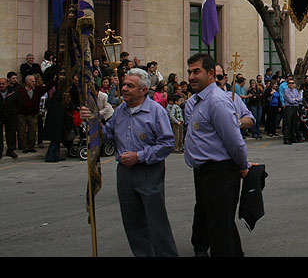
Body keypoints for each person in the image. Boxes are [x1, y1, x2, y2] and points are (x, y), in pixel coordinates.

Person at [79, 68, 178, 257]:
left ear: (143, 90)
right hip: (125, 174)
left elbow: (167, 144)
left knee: (156, 222)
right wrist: (91, 121)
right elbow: (106, 136)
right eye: (124, 84)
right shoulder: (120, 112)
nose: (124, 88)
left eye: (130, 86)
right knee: (132, 222)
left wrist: (139, 156)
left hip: (149, 171)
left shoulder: (156, 111)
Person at [184, 53, 251, 257]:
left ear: (211, 74)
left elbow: (234, 141)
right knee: (217, 223)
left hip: (220, 172)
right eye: (189, 72)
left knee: (220, 227)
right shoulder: (197, 101)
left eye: (197, 71)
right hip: (203, 171)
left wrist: (242, 164)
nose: (192, 77)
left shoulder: (217, 101)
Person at [0, 77, 20, 158]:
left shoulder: (13, 92)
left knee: (11, 133)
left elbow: (18, 104)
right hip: (0, 116)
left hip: (11, 116)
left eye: (3, 84)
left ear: (7, 84)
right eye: (0, 84)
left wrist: (14, 113)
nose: (1, 85)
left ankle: (10, 150)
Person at [282, 77, 303, 144]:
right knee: (288, 124)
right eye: (289, 83)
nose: (291, 84)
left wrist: (295, 99)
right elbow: (290, 100)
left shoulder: (295, 90)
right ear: (287, 84)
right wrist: (295, 99)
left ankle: (292, 138)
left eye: (292, 83)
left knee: (294, 124)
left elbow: (300, 99)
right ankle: (286, 139)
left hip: (295, 108)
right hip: (289, 108)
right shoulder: (286, 91)